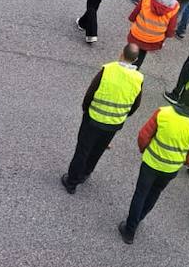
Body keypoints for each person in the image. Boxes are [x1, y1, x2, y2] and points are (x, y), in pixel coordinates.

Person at [121, 85, 189, 243]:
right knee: (154, 194)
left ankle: (129, 230)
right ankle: (138, 219)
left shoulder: (163, 112)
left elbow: (144, 135)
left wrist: (144, 149)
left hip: (151, 162)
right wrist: (182, 161)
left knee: (140, 194)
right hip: (170, 169)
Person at [60, 44, 144, 194]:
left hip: (93, 119)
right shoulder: (138, 78)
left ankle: (71, 181)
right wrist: (122, 115)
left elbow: (90, 93)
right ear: (136, 59)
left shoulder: (108, 70)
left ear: (121, 54)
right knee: (98, 149)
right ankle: (86, 173)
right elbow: (136, 104)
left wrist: (86, 110)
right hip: (114, 123)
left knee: (82, 150)